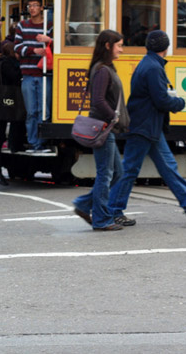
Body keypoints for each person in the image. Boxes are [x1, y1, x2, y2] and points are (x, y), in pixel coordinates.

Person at [107, 30, 186, 224]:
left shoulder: (148, 64)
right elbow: (161, 100)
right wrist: (179, 103)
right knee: (131, 169)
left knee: (167, 167)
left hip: (148, 126)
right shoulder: (153, 68)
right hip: (144, 126)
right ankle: (112, 211)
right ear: (166, 47)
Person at [73, 30, 130, 231]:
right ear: (107, 46)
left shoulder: (105, 68)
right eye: (119, 46)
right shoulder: (103, 70)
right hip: (104, 128)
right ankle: (101, 219)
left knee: (117, 173)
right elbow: (97, 100)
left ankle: (84, 204)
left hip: (107, 128)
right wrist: (113, 117)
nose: (121, 50)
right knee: (105, 174)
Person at [14, 0, 53, 153]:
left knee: (45, 110)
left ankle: (42, 143)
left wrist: (48, 39)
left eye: (35, 5)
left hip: (44, 74)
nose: (32, 8)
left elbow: (62, 43)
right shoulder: (22, 26)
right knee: (31, 111)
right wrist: (33, 50)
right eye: (30, 6)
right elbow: (17, 47)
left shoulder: (48, 26)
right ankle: (33, 143)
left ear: (41, 8)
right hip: (29, 73)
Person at [0, 41, 24, 186]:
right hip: (7, 101)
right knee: (1, 135)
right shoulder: (8, 64)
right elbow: (15, 77)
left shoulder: (0, 63)